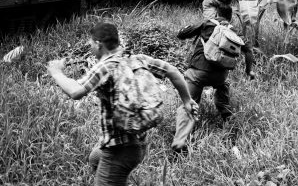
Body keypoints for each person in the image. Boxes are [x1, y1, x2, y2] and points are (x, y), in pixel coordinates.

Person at [46, 22, 198, 186]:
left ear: (98, 45)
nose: (90, 47)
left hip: (119, 151)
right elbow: (173, 71)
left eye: (90, 43)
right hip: (138, 142)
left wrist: (56, 72)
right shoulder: (138, 59)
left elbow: (76, 91)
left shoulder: (105, 67)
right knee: (95, 158)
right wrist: (187, 100)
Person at [173, 4, 255, 150]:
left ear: (216, 13)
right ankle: (230, 127)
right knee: (223, 88)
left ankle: (181, 140)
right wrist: (249, 71)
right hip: (220, 76)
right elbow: (248, 51)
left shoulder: (208, 23)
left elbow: (181, 34)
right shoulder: (234, 31)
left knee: (189, 104)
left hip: (198, 72)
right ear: (230, 17)